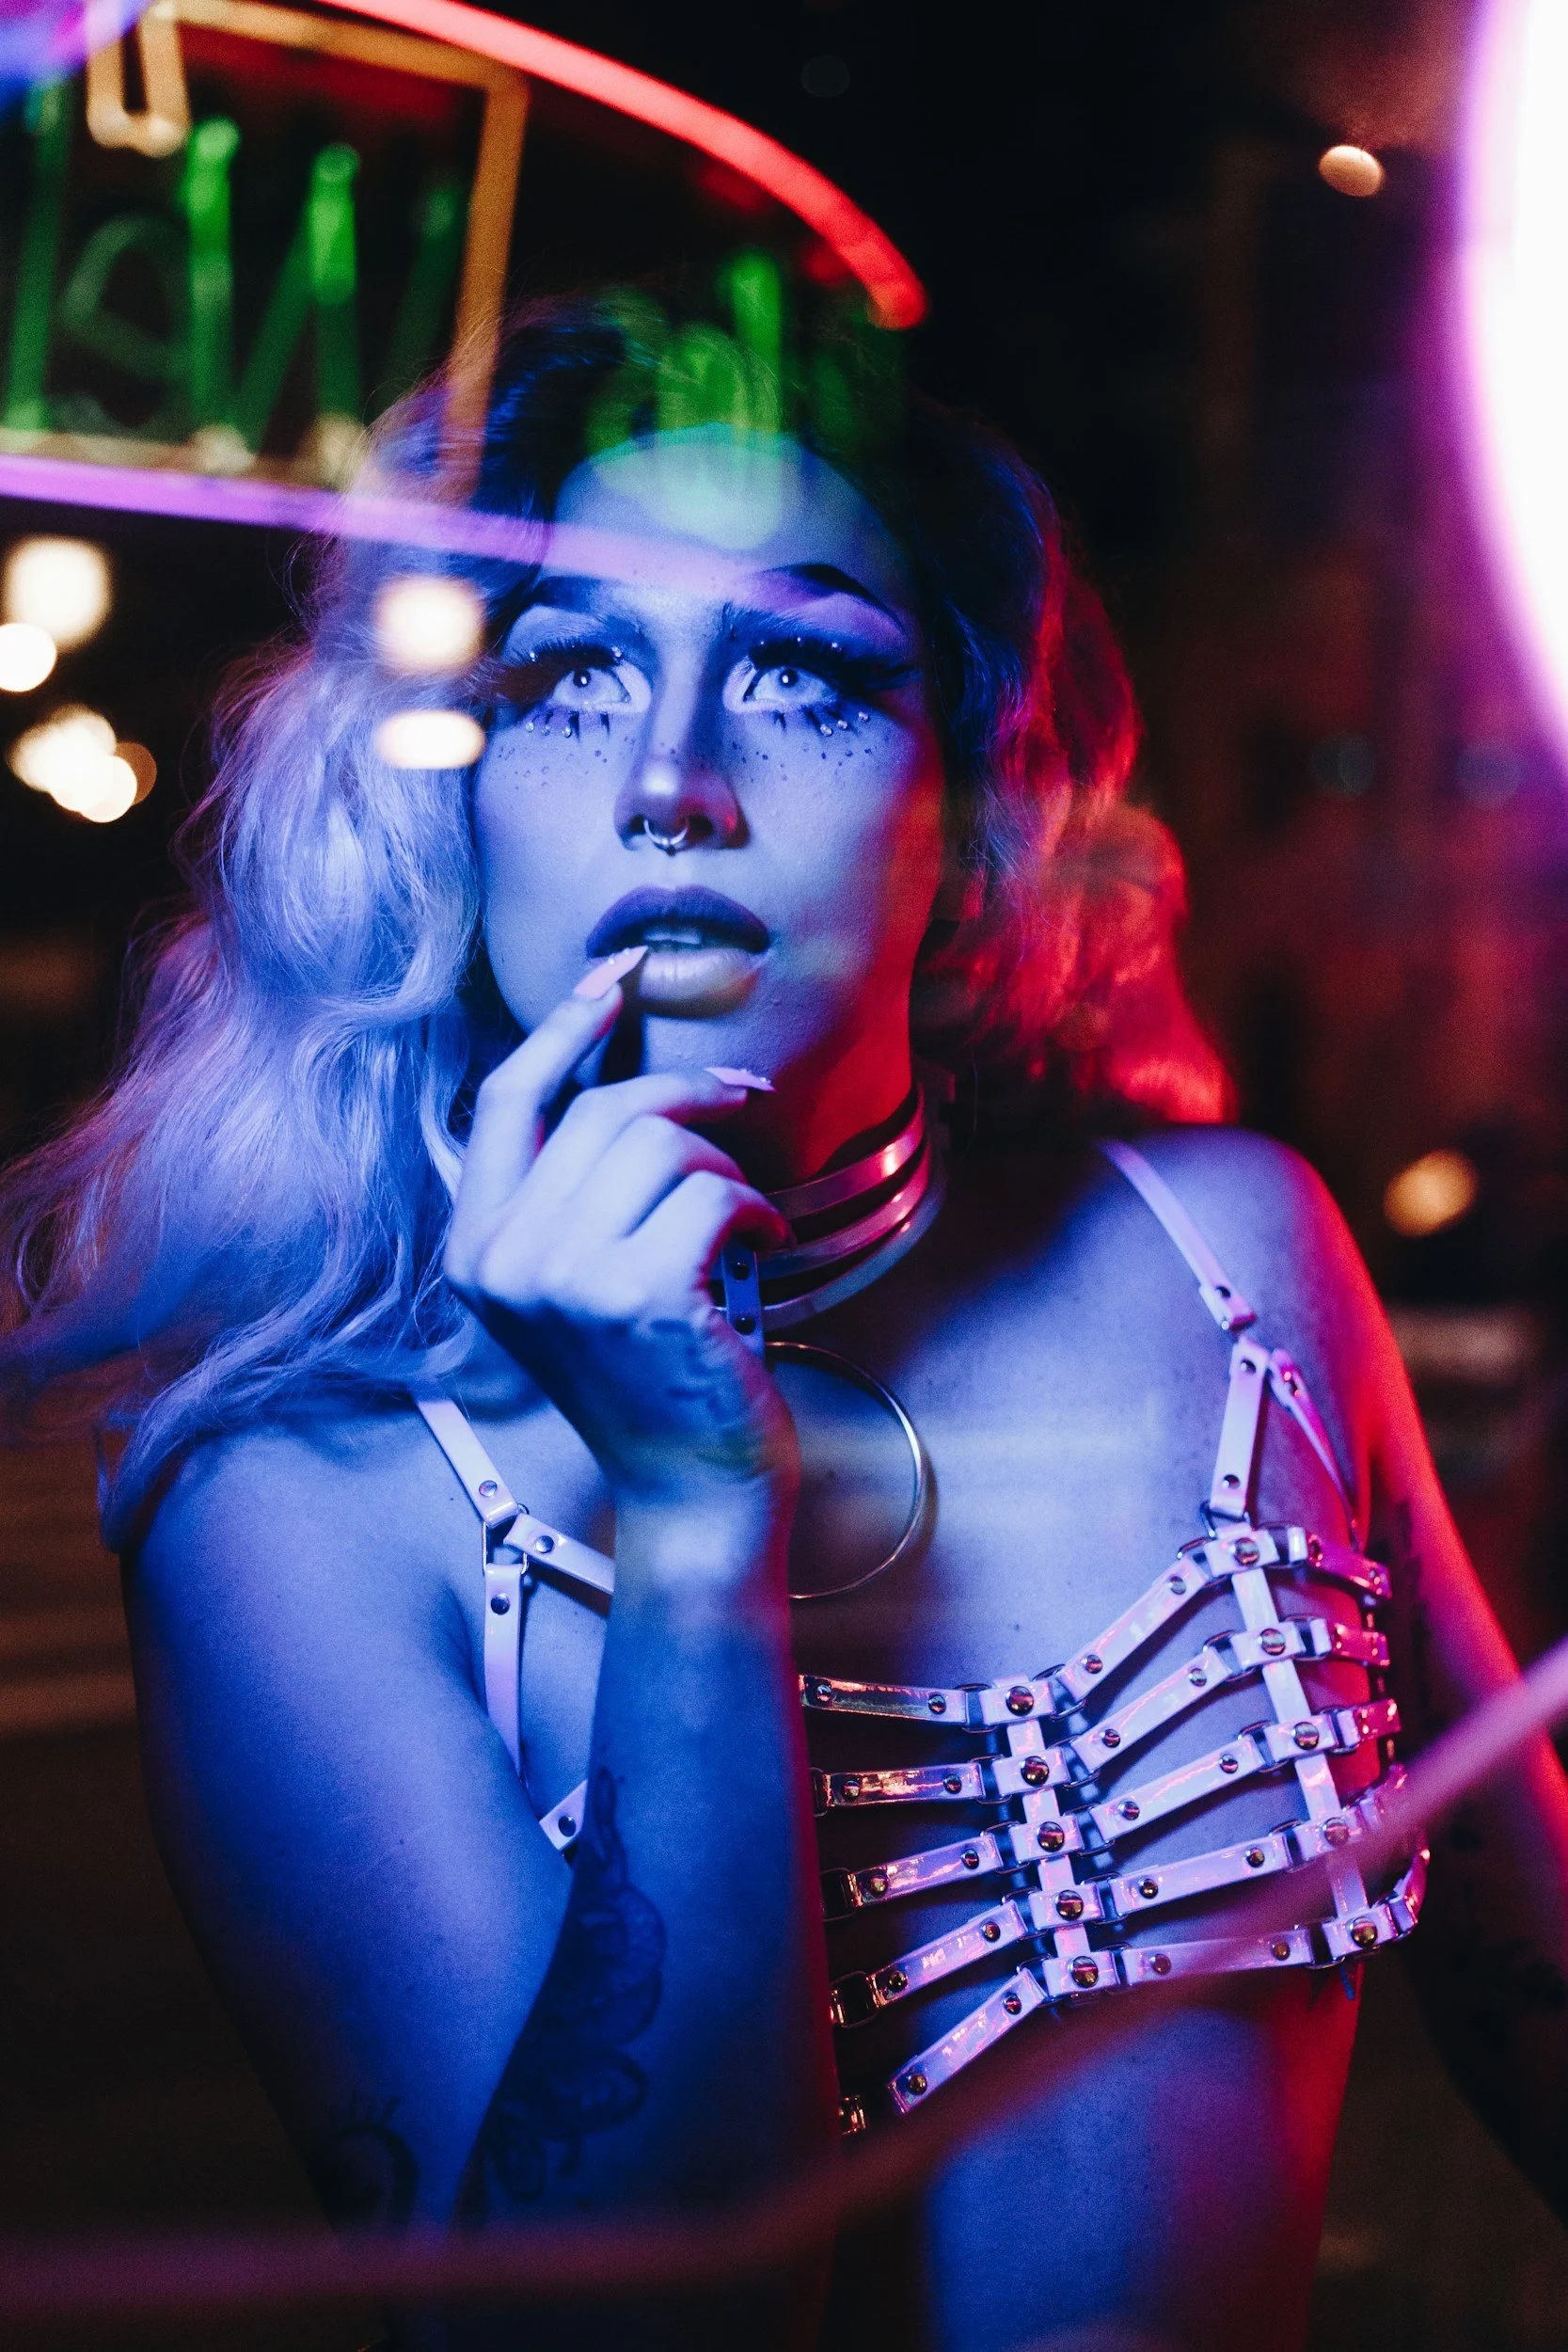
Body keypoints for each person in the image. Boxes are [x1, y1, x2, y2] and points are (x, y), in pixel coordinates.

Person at [5, 298, 1568, 2352]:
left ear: (972, 797)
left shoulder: (1232, 1254)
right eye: (569, 677)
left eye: (805, 677)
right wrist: (686, 1519)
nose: (674, 785)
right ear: (444, 794)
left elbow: (1529, 1986)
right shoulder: (288, 1498)